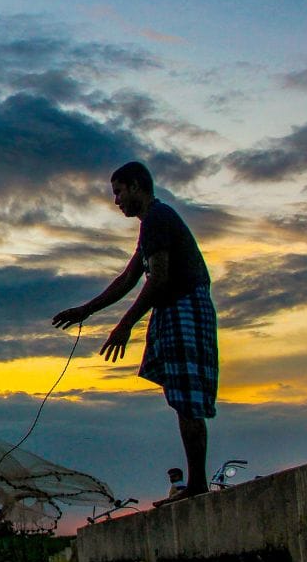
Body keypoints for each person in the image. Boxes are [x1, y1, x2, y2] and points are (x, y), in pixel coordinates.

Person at [53, 161, 216, 503]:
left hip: (184, 306)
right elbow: (128, 278)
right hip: (173, 308)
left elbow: (158, 279)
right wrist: (86, 310)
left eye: (119, 192)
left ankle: (197, 485)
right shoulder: (151, 225)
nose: (116, 201)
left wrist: (125, 325)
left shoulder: (157, 218)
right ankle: (197, 483)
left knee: (187, 398)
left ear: (137, 187)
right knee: (181, 397)